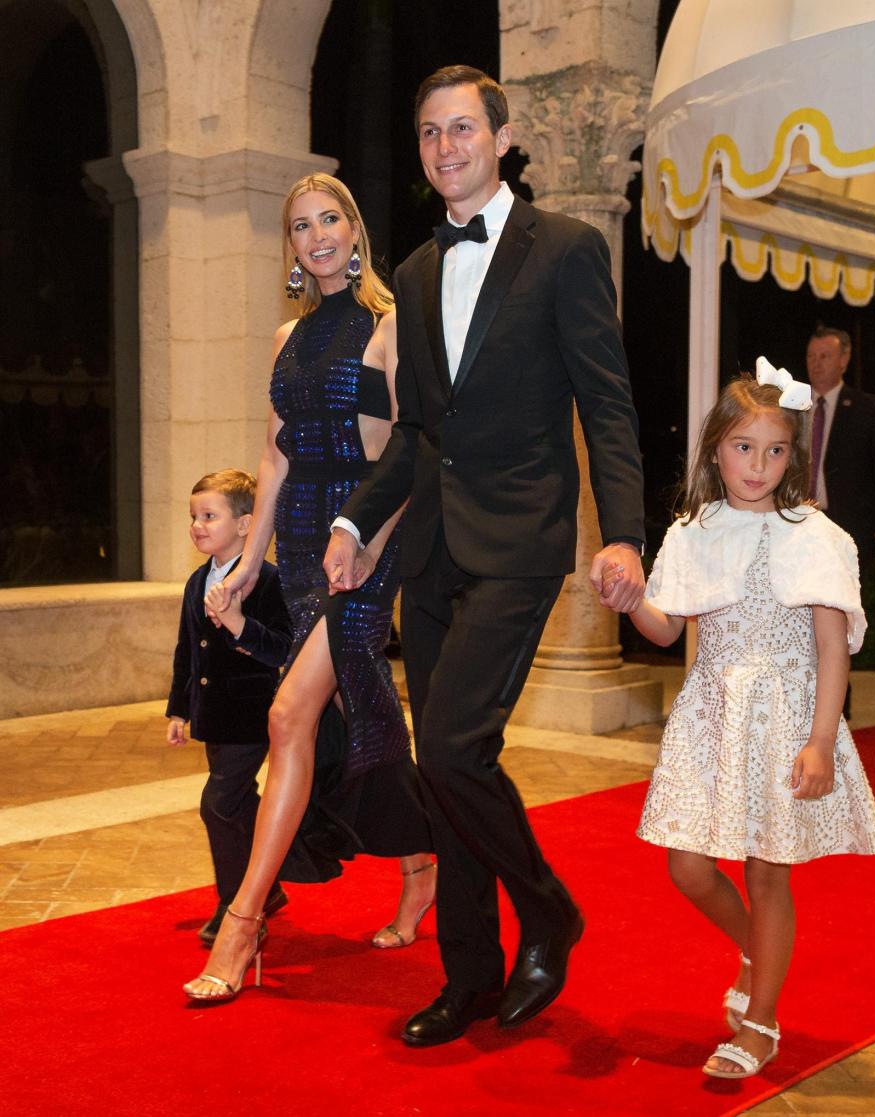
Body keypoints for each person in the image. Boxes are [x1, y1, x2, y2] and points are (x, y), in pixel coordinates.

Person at [323, 65, 647, 1047]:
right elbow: (421, 431)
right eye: (429, 132)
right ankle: (469, 976)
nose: (445, 146)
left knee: (455, 746)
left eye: (462, 128)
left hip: (519, 538)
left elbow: (608, 402)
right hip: (432, 549)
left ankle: (548, 907)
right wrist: (353, 523)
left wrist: (626, 529)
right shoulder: (416, 274)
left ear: (502, 138)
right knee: (450, 763)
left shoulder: (568, 251)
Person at [183, 174, 434, 1004]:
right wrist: (250, 558)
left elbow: (408, 449)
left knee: (290, 712)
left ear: (354, 229)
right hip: (296, 548)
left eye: (330, 219)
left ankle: (244, 918)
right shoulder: (288, 335)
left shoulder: (391, 323)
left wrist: (369, 544)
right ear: (290, 246)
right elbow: (276, 456)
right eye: (301, 225)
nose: (316, 235)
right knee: (359, 708)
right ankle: (422, 862)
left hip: (362, 535)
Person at [606, 362, 875, 1079]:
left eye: (775, 449)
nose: (758, 464)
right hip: (713, 711)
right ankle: (757, 950)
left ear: (792, 456)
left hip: (787, 715)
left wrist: (821, 739)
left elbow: (832, 645)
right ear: (714, 450)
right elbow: (666, 628)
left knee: (768, 872)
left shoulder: (816, 534)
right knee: (689, 863)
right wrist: (630, 595)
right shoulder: (693, 530)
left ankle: (760, 1020)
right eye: (743, 447)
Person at [166, 469, 292, 945]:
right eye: (193, 517)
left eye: (209, 516)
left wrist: (240, 626)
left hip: (252, 716)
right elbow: (187, 650)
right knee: (239, 805)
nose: (198, 525)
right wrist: (180, 709)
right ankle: (271, 889)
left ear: (246, 524)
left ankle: (236, 904)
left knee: (217, 805)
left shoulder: (267, 582)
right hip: (213, 716)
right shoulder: (197, 581)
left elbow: (283, 649)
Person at [805, 326, 875, 569]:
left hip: (848, 525)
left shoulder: (868, 408)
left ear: (844, 360)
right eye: (811, 356)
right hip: (798, 520)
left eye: (825, 356)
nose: (816, 364)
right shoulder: (791, 407)